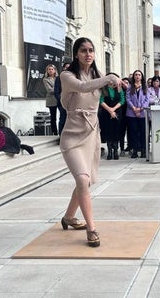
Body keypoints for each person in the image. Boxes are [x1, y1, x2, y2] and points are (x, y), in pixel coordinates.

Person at [59, 37, 119, 247]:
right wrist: (109, 78)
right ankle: (92, 229)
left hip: (92, 134)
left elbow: (110, 92)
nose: (88, 54)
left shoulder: (97, 75)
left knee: (85, 181)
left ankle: (68, 217)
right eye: (84, 50)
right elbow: (83, 87)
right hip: (72, 136)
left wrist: (119, 83)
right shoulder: (66, 75)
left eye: (91, 50)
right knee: (82, 180)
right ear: (76, 53)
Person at [98, 72, 125, 160]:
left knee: (117, 131)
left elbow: (122, 100)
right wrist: (110, 110)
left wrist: (113, 109)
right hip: (106, 112)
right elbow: (101, 100)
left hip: (117, 112)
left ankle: (115, 151)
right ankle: (109, 151)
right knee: (108, 132)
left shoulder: (119, 88)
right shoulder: (104, 89)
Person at [125, 70, 149, 159]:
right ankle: (135, 151)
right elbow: (128, 99)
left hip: (142, 113)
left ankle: (143, 151)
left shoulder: (145, 87)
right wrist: (134, 108)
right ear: (133, 77)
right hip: (132, 113)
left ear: (142, 77)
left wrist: (141, 108)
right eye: (136, 75)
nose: (138, 76)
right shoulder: (129, 87)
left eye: (139, 75)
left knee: (143, 133)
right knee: (133, 132)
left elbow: (147, 100)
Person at [54, 59, 71, 136]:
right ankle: (61, 135)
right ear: (64, 68)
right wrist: (61, 99)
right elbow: (56, 91)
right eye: (66, 67)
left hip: (71, 103)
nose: (68, 69)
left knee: (70, 120)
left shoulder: (73, 78)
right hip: (62, 102)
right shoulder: (59, 78)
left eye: (69, 68)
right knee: (63, 118)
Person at [43, 64, 59, 135]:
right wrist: (58, 89)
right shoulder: (45, 79)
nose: (51, 70)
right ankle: (55, 132)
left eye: (52, 69)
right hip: (51, 100)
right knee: (53, 117)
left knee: (63, 115)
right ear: (47, 71)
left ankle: (62, 131)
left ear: (55, 70)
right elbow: (49, 90)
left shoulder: (58, 78)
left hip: (59, 98)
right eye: (49, 69)